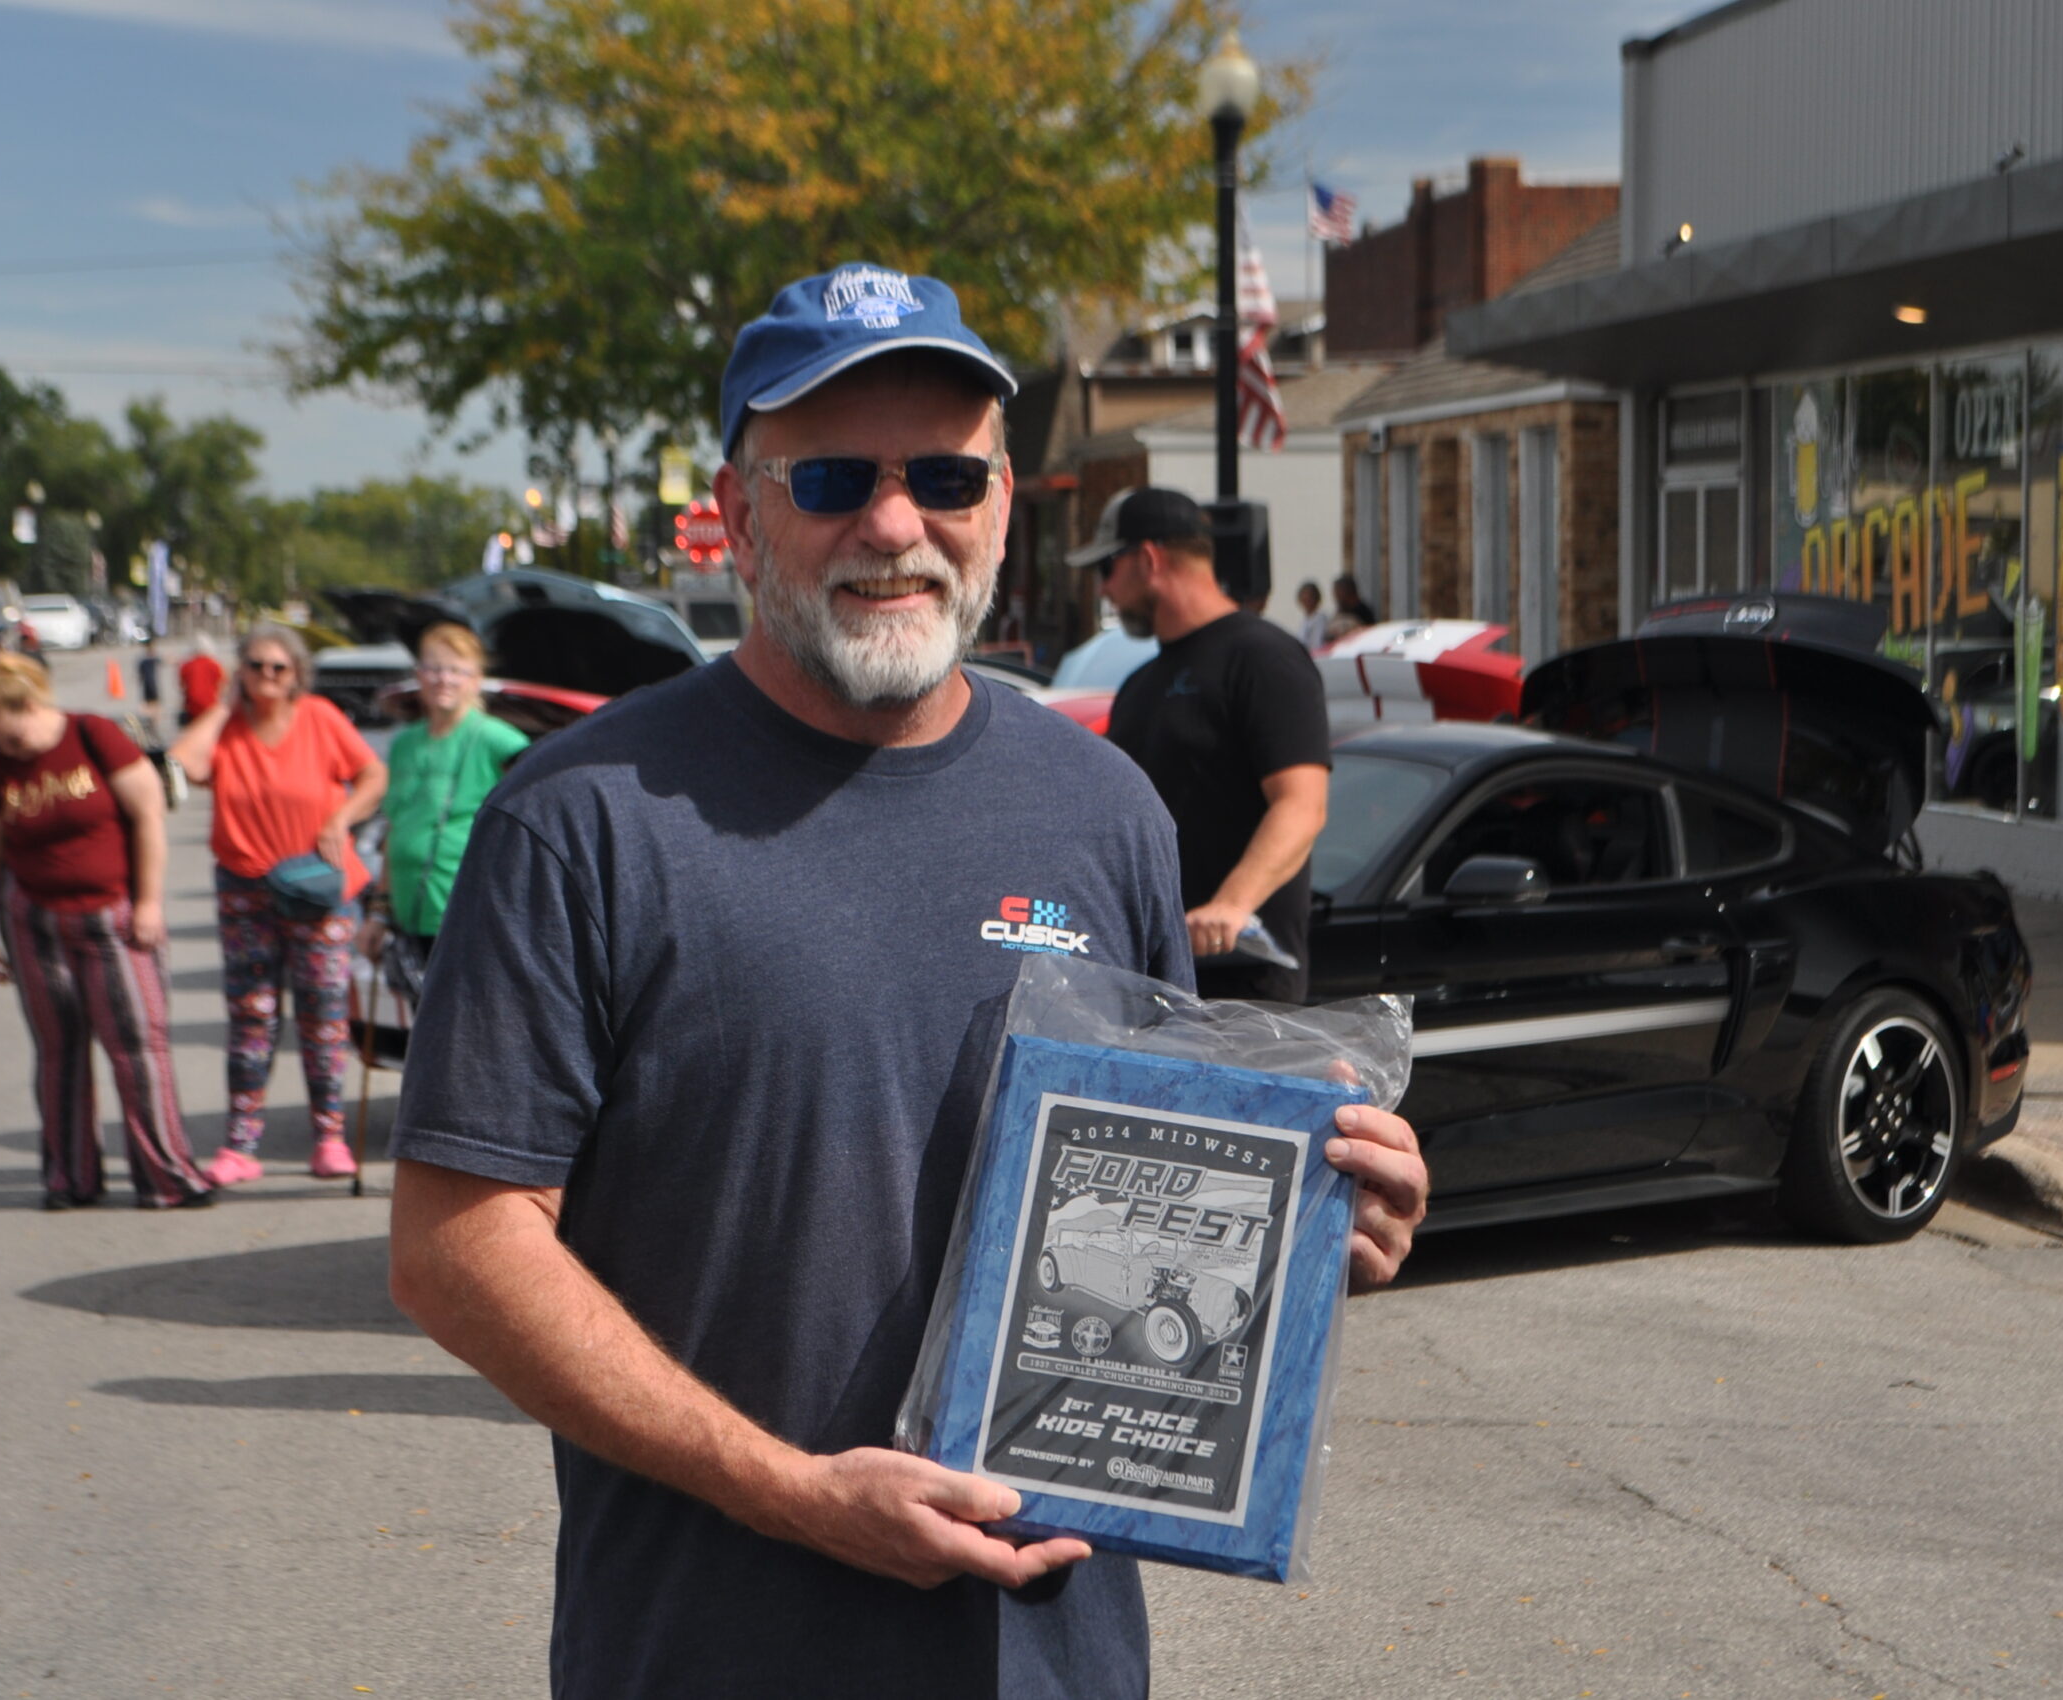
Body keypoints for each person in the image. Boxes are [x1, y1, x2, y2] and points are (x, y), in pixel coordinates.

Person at [384, 264, 1426, 1700]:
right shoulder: (583, 818)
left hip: (1053, 1664)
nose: (893, 525)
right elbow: (455, 1246)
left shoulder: (1103, 809)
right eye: (830, 478)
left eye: (944, 475)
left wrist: (1305, 1230)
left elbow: (1149, 1196)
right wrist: (792, 1490)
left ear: (999, 502)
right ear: (739, 511)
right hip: (711, 1657)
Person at [0, 655, 214, 1211]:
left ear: (31, 706)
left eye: (12, 736)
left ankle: (167, 1178)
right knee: (58, 1052)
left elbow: (149, 815)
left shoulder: (93, 735)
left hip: (113, 918)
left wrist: (148, 903)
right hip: (35, 923)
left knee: (138, 1049)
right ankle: (70, 1177)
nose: (7, 749)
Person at [1081, 485, 1333, 1004]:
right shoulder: (1139, 686)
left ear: (1148, 559)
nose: (1104, 589)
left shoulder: (1264, 658)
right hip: (1152, 988)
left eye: (1107, 567)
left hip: (1245, 990)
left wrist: (1231, 906)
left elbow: (1302, 805)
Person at [169, 625, 387, 1186]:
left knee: (323, 1014)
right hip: (246, 887)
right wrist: (223, 706)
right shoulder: (227, 726)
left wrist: (341, 818)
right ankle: (240, 1145)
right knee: (252, 1014)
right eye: (256, 665)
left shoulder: (319, 717)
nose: (267, 676)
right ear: (240, 671)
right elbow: (183, 763)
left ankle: (329, 1138)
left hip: (316, 886)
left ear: (296, 675)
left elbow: (373, 774)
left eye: (278, 667)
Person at [370, 621, 528, 973]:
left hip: (468, 921)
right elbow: (394, 830)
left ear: (476, 680)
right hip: (408, 918)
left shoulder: (499, 740)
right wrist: (379, 913)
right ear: (419, 675)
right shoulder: (405, 743)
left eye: (457, 670)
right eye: (434, 668)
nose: (444, 679)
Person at [176, 635, 223, 734]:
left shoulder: (187, 665)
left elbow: (182, 685)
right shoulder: (214, 664)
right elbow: (221, 684)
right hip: (210, 704)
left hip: (192, 705)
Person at [1294, 580, 1331, 650]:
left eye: (1309, 598)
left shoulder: (1320, 619)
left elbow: (1317, 644)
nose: (1306, 601)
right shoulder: (1305, 621)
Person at [136, 636, 164, 714]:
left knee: (150, 701)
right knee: (154, 701)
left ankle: (151, 715)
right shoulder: (149, 658)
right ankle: (153, 715)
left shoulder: (143, 659)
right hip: (151, 682)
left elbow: (140, 673)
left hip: (147, 682)